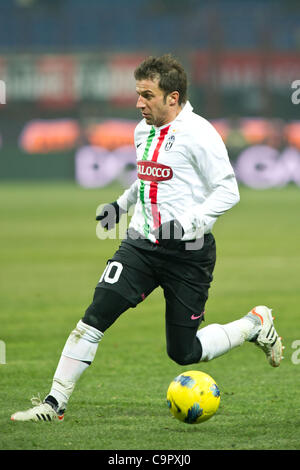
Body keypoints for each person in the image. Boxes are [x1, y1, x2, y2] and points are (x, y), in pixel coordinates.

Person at [11, 54, 283, 422]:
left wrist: (187, 224)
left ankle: (255, 324)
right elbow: (145, 176)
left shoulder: (200, 135)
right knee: (94, 317)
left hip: (188, 252)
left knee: (183, 352)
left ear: (173, 98)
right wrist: (120, 206)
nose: (139, 103)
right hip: (140, 243)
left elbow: (228, 191)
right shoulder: (143, 129)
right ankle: (53, 403)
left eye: (147, 95)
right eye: (138, 94)